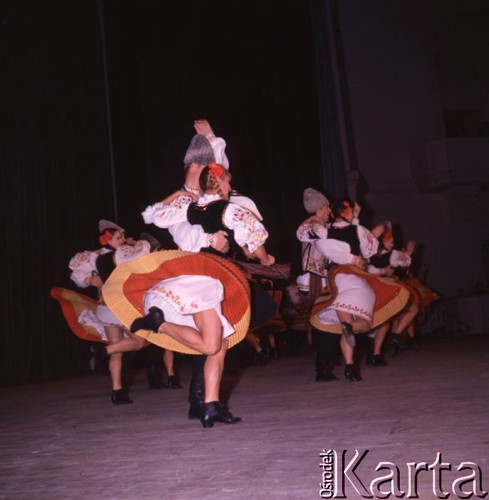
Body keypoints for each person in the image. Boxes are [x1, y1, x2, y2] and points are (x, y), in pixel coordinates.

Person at [100, 250, 251, 428]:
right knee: (211, 346)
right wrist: (210, 239)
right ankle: (158, 324)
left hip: (172, 296)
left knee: (220, 344)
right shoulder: (205, 275)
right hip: (183, 291)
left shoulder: (212, 285)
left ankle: (211, 405)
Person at [308, 198, 409, 381]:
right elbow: (369, 251)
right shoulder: (358, 230)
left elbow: (306, 235)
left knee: (336, 327)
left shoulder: (324, 230)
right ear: (348, 212)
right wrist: (357, 220)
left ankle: (338, 366)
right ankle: (349, 359)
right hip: (353, 278)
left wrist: (317, 217)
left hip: (335, 279)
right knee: (364, 324)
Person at [66, 219, 152, 404]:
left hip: (104, 307)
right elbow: (146, 247)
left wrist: (90, 280)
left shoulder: (94, 257)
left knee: (118, 352)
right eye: (118, 238)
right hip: (120, 305)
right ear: (108, 239)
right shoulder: (121, 253)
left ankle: (117, 391)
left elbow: (77, 272)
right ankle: (106, 351)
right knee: (139, 341)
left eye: (122, 237)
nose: (122, 241)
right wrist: (134, 242)